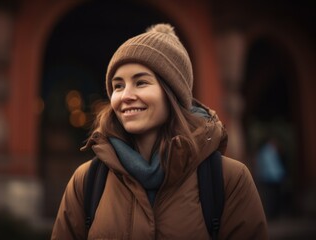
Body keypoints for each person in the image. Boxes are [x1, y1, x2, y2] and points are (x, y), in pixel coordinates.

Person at [51, 23, 268, 239]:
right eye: (118, 85)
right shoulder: (87, 180)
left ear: (172, 92)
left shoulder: (227, 179)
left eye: (141, 82)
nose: (125, 95)